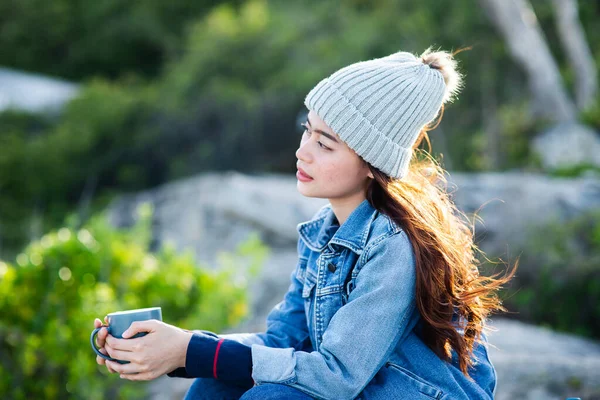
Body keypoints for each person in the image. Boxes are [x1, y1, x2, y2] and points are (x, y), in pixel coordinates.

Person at [93, 47, 516, 399]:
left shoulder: (394, 247)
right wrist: (176, 346)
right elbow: (282, 344)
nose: (303, 152)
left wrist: (189, 349)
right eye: (306, 131)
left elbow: (337, 375)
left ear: (373, 164)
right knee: (215, 382)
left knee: (272, 397)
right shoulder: (323, 232)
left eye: (324, 144)